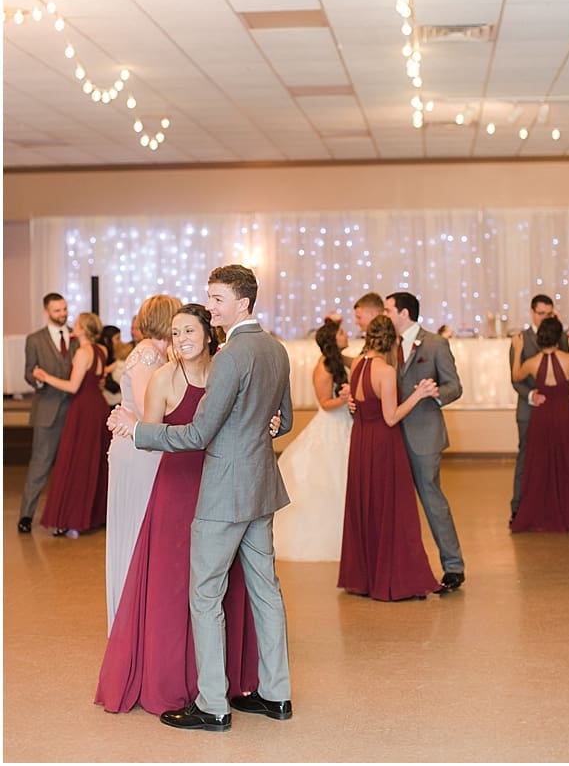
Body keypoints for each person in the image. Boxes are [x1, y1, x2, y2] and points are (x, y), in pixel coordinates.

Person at [110, 264, 295, 732]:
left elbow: (198, 433)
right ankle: (276, 695)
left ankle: (212, 704)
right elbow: (284, 419)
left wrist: (139, 430)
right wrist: (269, 425)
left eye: (216, 299)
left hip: (224, 492)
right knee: (265, 592)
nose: (209, 306)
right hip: (261, 487)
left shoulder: (232, 354)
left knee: (206, 595)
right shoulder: (276, 348)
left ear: (242, 304)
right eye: (209, 298)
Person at [96, 304, 261, 715]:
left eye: (189, 330)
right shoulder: (164, 378)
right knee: (173, 585)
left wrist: (269, 422)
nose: (181, 338)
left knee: (222, 585)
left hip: (220, 488)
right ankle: (173, 681)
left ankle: (225, 680)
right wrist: (134, 426)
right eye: (175, 332)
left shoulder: (226, 370)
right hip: (176, 490)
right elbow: (150, 438)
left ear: (208, 334)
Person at [339, 315, 442, 600]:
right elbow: (391, 416)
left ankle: (364, 578)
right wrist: (419, 394)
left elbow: (357, 405)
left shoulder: (358, 364)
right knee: (392, 510)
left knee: (366, 507)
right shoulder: (385, 371)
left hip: (361, 443)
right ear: (391, 339)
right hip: (384, 446)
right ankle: (394, 579)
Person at [104, 293, 180, 631]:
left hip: (141, 449)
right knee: (137, 527)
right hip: (139, 453)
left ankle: (142, 614)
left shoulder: (156, 353)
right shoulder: (148, 354)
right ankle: (133, 619)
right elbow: (156, 412)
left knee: (145, 528)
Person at [384, 291, 466, 592]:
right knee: (396, 503)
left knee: (432, 501)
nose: (386, 315)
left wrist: (436, 393)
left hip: (425, 436)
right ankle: (402, 565)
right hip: (391, 435)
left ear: (403, 313)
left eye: (388, 310)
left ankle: (453, 566)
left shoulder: (435, 344)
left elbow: (455, 386)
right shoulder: (387, 346)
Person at [274, 318, 354, 562]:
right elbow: (325, 404)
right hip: (331, 425)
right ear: (333, 339)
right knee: (330, 478)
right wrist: (344, 398)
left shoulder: (341, 361)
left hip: (346, 424)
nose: (346, 333)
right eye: (341, 331)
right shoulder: (323, 368)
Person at [509, 316, 569, 533]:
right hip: (565, 416)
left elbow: (516, 375)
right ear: (559, 337)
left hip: (542, 417)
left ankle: (541, 513)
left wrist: (518, 349)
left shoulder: (532, 363)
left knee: (541, 465)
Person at [36, 311, 111, 538]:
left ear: (84, 329)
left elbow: (72, 387)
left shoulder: (82, 352)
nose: (73, 326)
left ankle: (72, 518)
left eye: (77, 324)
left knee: (77, 462)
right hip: (99, 407)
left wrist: (44, 376)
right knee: (96, 462)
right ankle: (95, 516)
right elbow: (99, 379)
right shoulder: (102, 350)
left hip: (83, 410)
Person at [509, 294, 569, 520]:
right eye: (541, 313)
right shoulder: (520, 339)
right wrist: (530, 395)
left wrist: (559, 328)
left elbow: (566, 364)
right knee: (526, 458)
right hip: (529, 410)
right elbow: (515, 378)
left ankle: (556, 505)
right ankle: (518, 507)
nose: (545, 317)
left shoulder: (559, 335)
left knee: (557, 458)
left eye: (549, 314)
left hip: (556, 410)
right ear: (532, 313)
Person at [17, 293, 74, 534]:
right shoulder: (34, 339)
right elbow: (29, 373)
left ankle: (64, 517)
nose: (62, 314)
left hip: (74, 410)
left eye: (64, 309)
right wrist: (39, 379)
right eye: (56, 310)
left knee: (68, 466)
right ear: (46, 312)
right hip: (46, 411)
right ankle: (26, 515)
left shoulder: (78, 337)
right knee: (40, 465)